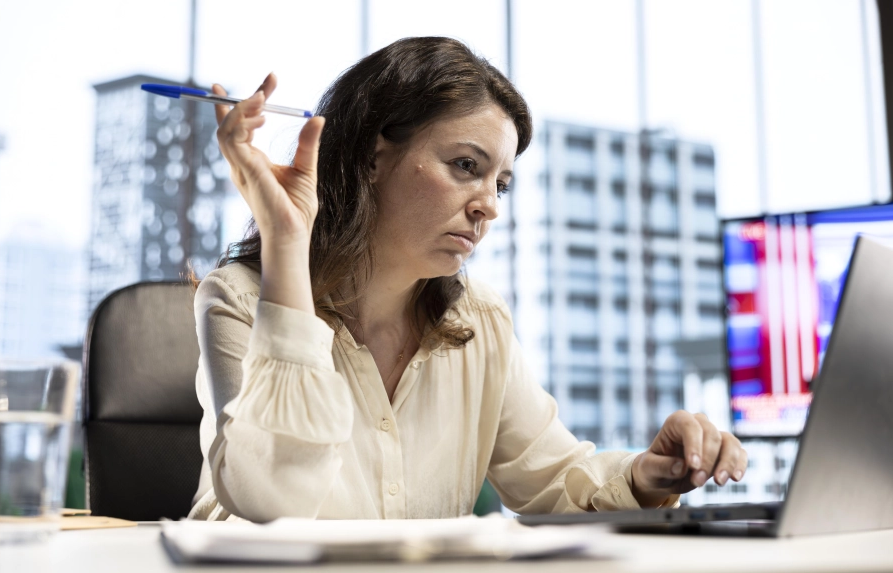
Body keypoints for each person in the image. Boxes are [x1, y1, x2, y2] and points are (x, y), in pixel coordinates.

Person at [189, 37, 747, 522]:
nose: (489, 208)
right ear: (372, 156)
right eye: (465, 166)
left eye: (500, 184)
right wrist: (287, 240)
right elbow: (271, 503)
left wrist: (649, 475)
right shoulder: (238, 298)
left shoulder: (477, 319)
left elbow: (553, 479)